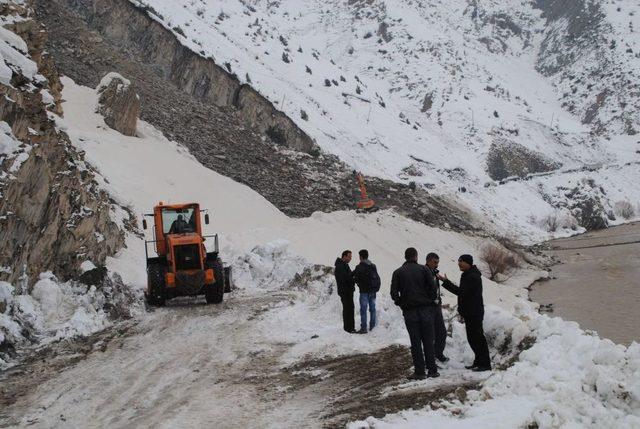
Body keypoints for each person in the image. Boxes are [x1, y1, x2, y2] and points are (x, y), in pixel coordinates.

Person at [391, 247, 440, 379]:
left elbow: (394, 293)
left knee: (416, 341)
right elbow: (433, 287)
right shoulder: (424, 270)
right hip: (425, 310)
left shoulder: (398, 272)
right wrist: (429, 301)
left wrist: (401, 303)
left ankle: (420, 372)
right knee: (428, 340)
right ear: (416, 257)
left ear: (405, 257)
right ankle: (432, 370)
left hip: (410, 311)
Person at [438, 254, 491, 372]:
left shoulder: (472, 277)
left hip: (474, 312)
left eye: (461, 262)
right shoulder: (468, 274)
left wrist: (446, 282)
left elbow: (461, 292)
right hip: (471, 312)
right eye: (458, 262)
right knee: (473, 339)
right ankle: (478, 362)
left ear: (468, 263)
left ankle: (485, 364)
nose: (459, 265)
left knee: (478, 339)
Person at [426, 252, 449, 363]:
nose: (437, 265)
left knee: (442, 332)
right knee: (430, 334)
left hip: (437, 306)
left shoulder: (434, 273)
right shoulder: (424, 273)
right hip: (428, 307)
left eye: (438, 263)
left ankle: (438, 353)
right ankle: (430, 358)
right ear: (428, 261)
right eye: (435, 262)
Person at [353, 249, 380, 334]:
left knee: (363, 310)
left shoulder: (359, 267)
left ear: (360, 257)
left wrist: (358, 283)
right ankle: (372, 327)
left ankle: (364, 328)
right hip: (372, 291)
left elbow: (355, 277)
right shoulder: (373, 266)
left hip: (364, 291)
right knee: (372, 309)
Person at [334, 250, 356, 333]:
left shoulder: (344, 265)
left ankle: (350, 328)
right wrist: (353, 278)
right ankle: (348, 328)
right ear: (344, 256)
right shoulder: (340, 266)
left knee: (349, 309)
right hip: (345, 291)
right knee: (348, 309)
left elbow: (347, 276)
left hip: (347, 291)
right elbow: (345, 278)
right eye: (349, 257)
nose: (350, 258)